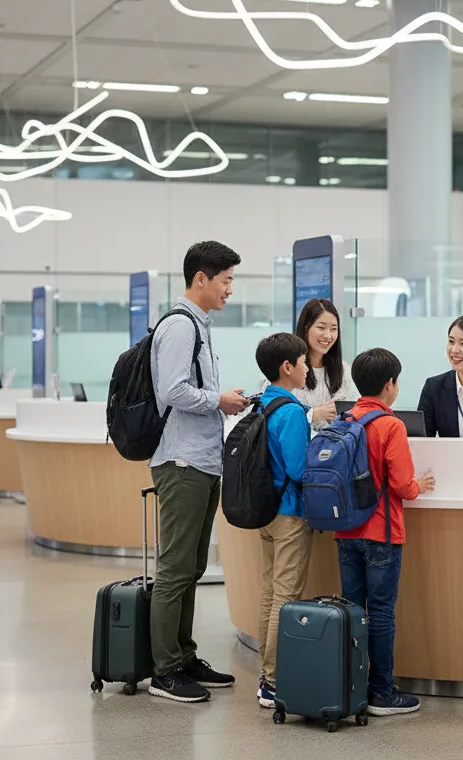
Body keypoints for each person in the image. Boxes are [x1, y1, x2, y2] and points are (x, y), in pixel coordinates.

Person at [148, 240, 250, 703]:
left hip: (203, 460)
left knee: (192, 565)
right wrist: (219, 400)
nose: (229, 289)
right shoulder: (180, 326)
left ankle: (183, 657)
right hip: (182, 461)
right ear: (201, 279)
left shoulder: (200, 327)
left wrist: (220, 400)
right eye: (225, 281)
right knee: (175, 568)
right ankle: (165, 670)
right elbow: (172, 390)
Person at [336, 348, 435, 716]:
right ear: (390, 384)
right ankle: (382, 692)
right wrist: (420, 484)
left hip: (346, 532)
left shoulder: (346, 419)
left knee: (352, 611)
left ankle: (351, 686)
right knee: (380, 613)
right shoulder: (390, 425)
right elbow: (403, 486)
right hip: (382, 533)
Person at [249, 333, 313, 709]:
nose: (307, 368)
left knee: (270, 592)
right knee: (285, 596)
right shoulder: (291, 412)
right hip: (290, 513)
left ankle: (265, 673)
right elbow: (298, 469)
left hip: (266, 511)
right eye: (303, 362)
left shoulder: (262, 404)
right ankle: (273, 682)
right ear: (287, 367)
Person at [257, 298, 355, 430]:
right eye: (321, 328)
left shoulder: (343, 371)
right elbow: (270, 414)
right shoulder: (287, 368)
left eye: (333, 329)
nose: (328, 335)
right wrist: (311, 415)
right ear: (305, 328)